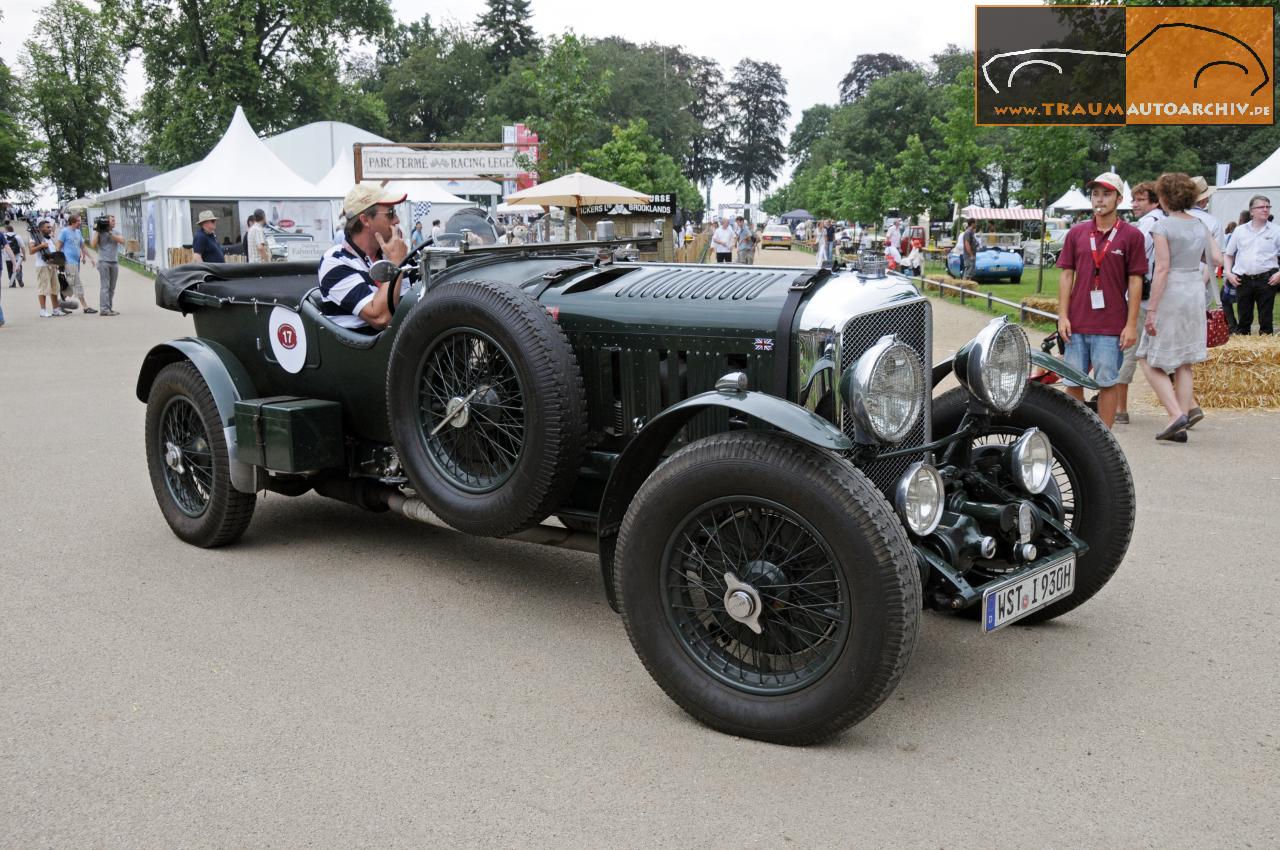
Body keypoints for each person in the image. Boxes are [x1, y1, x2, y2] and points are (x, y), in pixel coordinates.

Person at [1137, 173, 1224, 442]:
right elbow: (1218, 258)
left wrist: (1151, 309)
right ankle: (1181, 425)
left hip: (1171, 293)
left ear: (1163, 197)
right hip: (1194, 291)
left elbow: (1162, 268)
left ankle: (1175, 415)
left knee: (1145, 356)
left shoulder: (1162, 226)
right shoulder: (1200, 224)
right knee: (1185, 362)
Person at [1056, 172, 1146, 429]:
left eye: (1106, 194)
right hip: (1077, 322)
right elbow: (1066, 275)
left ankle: (1105, 438)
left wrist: (1130, 325)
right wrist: (1063, 315)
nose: (1099, 199)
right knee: (1073, 382)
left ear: (1118, 199)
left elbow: (1135, 280)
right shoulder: (1077, 233)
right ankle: (1077, 434)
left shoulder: (1131, 236)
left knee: (1107, 381)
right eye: (1095, 193)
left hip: (1110, 325)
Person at [317, 183, 409, 332]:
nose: (397, 220)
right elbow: (381, 318)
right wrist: (395, 263)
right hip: (363, 351)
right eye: (390, 213)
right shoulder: (334, 261)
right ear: (365, 220)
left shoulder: (387, 254)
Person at [1112, 181, 1164, 425]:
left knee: (1129, 348)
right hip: (1160, 294)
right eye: (1134, 199)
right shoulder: (1164, 221)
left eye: (1140, 199)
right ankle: (1183, 405)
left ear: (1154, 201)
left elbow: (1131, 256)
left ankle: (1120, 407)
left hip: (1141, 294)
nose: (1134, 204)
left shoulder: (1147, 225)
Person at [1222, 194, 1280, 335]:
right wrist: (1228, 273)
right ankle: (1243, 352)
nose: (1265, 210)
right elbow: (1228, 254)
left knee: (1266, 320)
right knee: (1244, 319)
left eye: (1268, 207)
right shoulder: (1239, 230)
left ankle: (1266, 353)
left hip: (1268, 280)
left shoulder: (1276, 230)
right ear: (1252, 211)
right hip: (1243, 280)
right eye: (1261, 207)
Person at [56, 213, 97, 313]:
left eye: (80, 220)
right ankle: (85, 307)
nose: (80, 222)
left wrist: (90, 257)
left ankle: (59, 303)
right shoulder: (64, 232)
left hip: (76, 262)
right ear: (72, 221)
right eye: (78, 221)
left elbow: (82, 246)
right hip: (68, 262)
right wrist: (58, 263)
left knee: (71, 284)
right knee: (77, 283)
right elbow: (58, 247)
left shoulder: (78, 232)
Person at [29, 218, 66, 317]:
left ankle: (56, 309)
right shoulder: (34, 238)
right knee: (43, 288)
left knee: (55, 288)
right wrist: (41, 246)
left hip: (52, 266)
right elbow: (31, 251)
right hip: (42, 266)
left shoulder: (49, 239)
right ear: (41, 229)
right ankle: (43, 310)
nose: (50, 228)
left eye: (50, 227)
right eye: (48, 227)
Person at [89, 214, 124, 316]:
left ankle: (109, 307)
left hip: (114, 262)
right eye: (112, 220)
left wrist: (110, 233)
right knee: (105, 286)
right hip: (103, 261)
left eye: (114, 220)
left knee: (112, 287)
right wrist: (97, 230)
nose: (114, 222)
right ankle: (104, 309)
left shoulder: (115, 232)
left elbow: (122, 241)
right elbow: (93, 245)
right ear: (106, 221)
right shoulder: (99, 233)